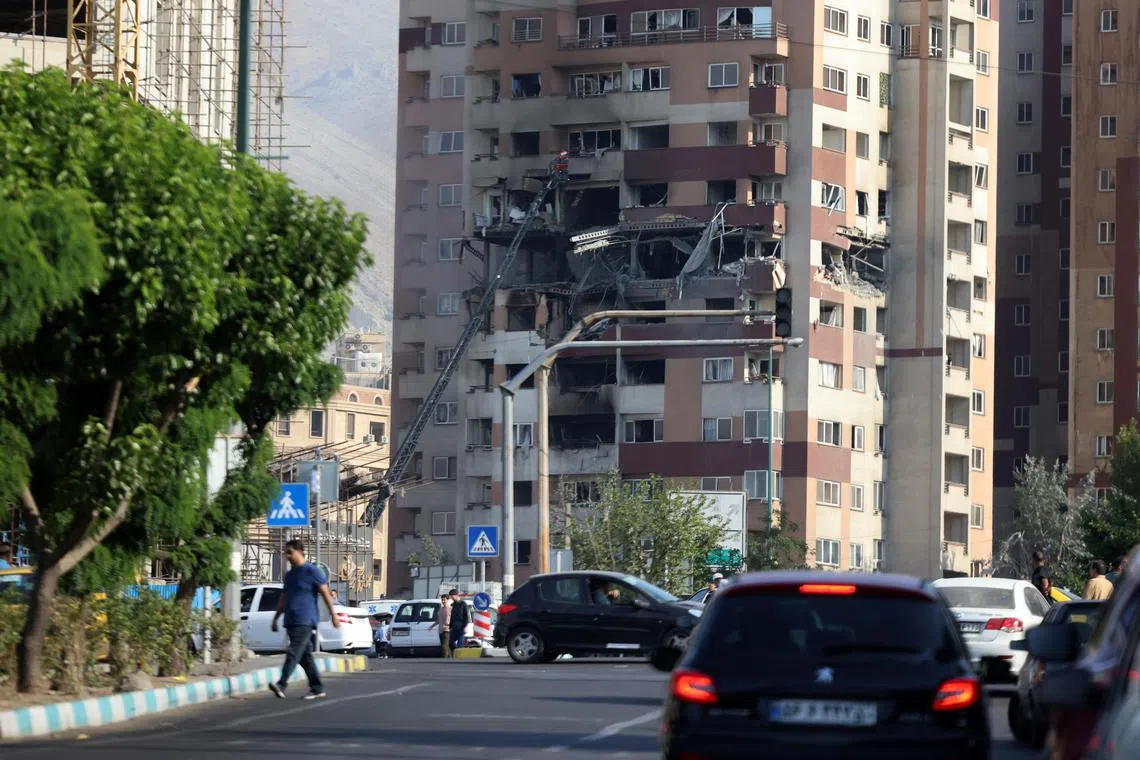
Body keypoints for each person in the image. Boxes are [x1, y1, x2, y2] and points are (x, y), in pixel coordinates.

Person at [268, 539, 339, 700]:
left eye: (290, 552)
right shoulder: (290, 575)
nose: (287, 556)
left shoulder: (311, 571)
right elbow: (283, 597)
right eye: (286, 552)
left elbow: (325, 593)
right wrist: (276, 617)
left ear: (300, 552)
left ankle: (281, 684)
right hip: (291, 620)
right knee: (304, 656)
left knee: (293, 652)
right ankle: (317, 687)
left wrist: (333, 615)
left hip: (305, 620)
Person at [447, 589, 470, 654]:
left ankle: (460, 658)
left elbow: (466, 616)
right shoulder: (452, 605)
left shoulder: (463, 604)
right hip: (454, 628)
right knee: (450, 643)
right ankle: (455, 652)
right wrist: (450, 627)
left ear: (456, 595)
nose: (451, 598)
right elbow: (451, 617)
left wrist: (465, 626)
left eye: (452, 596)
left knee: (460, 644)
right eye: (450, 596)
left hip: (461, 627)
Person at [429, 593, 452, 657]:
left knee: (444, 646)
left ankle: (444, 659)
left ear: (448, 600)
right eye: (442, 600)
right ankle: (451, 658)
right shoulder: (440, 609)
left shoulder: (451, 609)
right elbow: (438, 620)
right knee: (444, 645)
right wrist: (431, 626)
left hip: (447, 630)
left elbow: (453, 619)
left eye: (444, 600)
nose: (443, 601)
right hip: (440, 630)